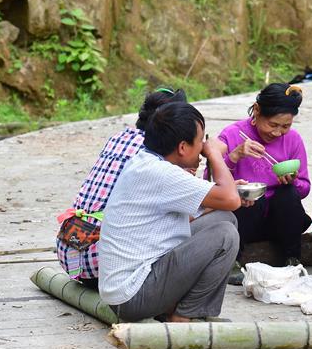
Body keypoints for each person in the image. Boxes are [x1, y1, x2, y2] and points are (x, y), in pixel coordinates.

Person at [98, 102, 241, 322]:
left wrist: (219, 197)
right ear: (183, 148)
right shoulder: (162, 174)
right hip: (132, 296)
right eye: (200, 140)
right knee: (225, 236)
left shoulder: (145, 161)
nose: (203, 146)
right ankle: (185, 317)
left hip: (133, 285)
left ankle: (179, 308)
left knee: (224, 219)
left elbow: (218, 206)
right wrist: (215, 155)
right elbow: (231, 199)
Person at [55, 88, 187, 287]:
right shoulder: (152, 155)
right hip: (104, 267)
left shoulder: (118, 138)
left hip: (70, 256)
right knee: (187, 224)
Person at [219, 83, 311, 283]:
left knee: (288, 194)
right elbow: (210, 182)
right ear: (257, 111)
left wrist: (293, 182)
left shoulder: (293, 140)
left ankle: (292, 259)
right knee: (250, 197)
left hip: (280, 221)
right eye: (272, 124)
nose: (277, 133)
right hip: (245, 220)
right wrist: (234, 156)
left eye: (285, 126)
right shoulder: (233, 134)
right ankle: (232, 259)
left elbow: (305, 188)